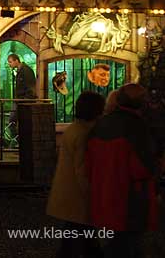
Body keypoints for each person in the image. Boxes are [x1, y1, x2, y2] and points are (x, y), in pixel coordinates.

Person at [86, 83, 160, 257]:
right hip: (129, 199)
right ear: (140, 103)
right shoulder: (137, 127)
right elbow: (141, 169)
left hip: (103, 194)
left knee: (117, 242)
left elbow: (88, 164)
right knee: (127, 244)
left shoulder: (100, 125)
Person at [46, 91, 106, 258]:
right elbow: (82, 170)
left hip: (67, 194)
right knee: (79, 241)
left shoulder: (74, 128)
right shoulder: (84, 134)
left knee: (76, 241)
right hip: (77, 198)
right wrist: (92, 195)